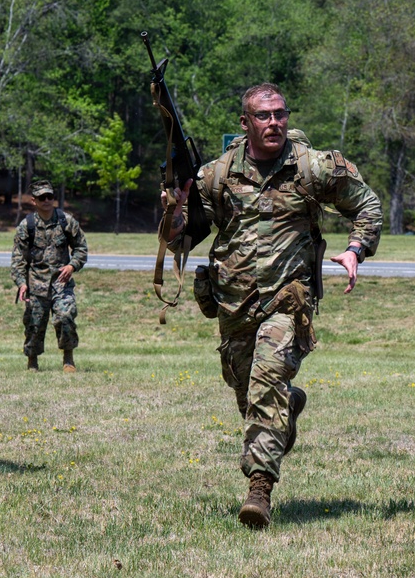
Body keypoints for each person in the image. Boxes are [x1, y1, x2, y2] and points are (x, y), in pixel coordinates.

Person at [162, 83, 382, 529]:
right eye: (263, 116)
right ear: (245, 124)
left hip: (288, 302)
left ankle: (259, 489)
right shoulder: (216, 175)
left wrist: (356, 248)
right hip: (234, 306)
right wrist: (173, 211)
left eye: (280, 114)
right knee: (250, 396)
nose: (274, 123)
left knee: (266, 381)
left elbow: (367, 204)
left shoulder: (311, 167)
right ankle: (288, 406)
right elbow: (181, 239)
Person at [10, 180, 88, 372]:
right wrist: (21, 284)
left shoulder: (66, 221)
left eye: (50, 197)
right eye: (42, 197)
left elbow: (81, 248)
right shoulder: (26, 226)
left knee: (66, 316)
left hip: (61, 283)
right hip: (36, 284)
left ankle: (68, 359)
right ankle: (32, 361)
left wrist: (72, 265)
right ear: (33, 200)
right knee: (34, 324)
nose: (47, 200)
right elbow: (18, 259)